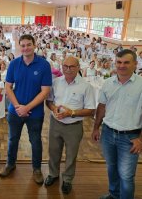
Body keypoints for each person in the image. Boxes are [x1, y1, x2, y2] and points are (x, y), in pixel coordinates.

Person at [0, 34, 52, 185]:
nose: (25, 48)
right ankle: (10, 164)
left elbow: (45, 91)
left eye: (29, 45)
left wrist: (27, 108)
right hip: (15, 111)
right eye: (22, 45)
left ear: (34, 45)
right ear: (19, 47)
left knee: (35, 141)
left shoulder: (43, 65)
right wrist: (17, 107)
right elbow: (8, 87)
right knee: (12, 139)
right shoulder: (14, 64)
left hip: (35, 112)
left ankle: (36, 169)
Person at [92, 49, 142, 199]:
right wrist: (96, 127)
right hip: (108, 133)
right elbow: (101, 106)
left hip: (130, 137)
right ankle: (114, 195)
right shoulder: (108, 83)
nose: (122, 66)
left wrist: (140, 139)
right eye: (119, 62)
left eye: (126, 62)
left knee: (126, 176)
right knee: (111, 168)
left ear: (135, 64)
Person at [45, 56, 96, 194]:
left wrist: (71, 113)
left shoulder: (86, 86)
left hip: (74, 126)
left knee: (71, 155)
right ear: (62, 67)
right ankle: (53, 174)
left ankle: (67, 179)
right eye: (65, 66)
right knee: (53, 151)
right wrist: (53, 108)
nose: (68, 69)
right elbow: (49, 101)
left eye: (72, 66)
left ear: (78, 67)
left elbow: (91, 110)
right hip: (55, 123)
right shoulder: (56, 82)